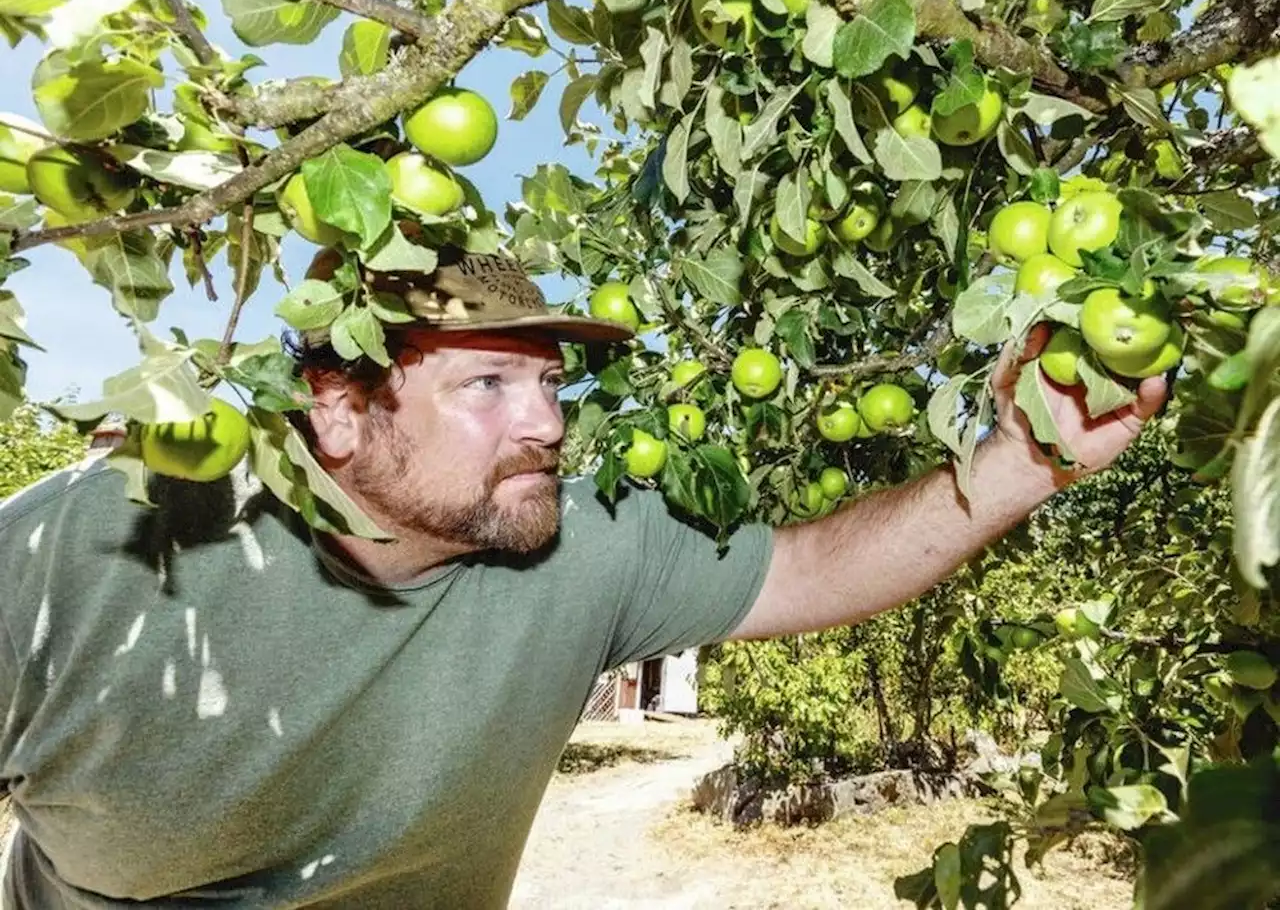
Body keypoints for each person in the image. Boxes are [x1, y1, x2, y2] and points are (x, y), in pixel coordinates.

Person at [0, 249, 1165, 908]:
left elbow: (808, 567)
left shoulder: (575, 541)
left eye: (552, 386)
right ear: (340, 414)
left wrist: (1022, 459)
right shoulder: (91, 548)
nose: (549, 423)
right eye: (492, 387)